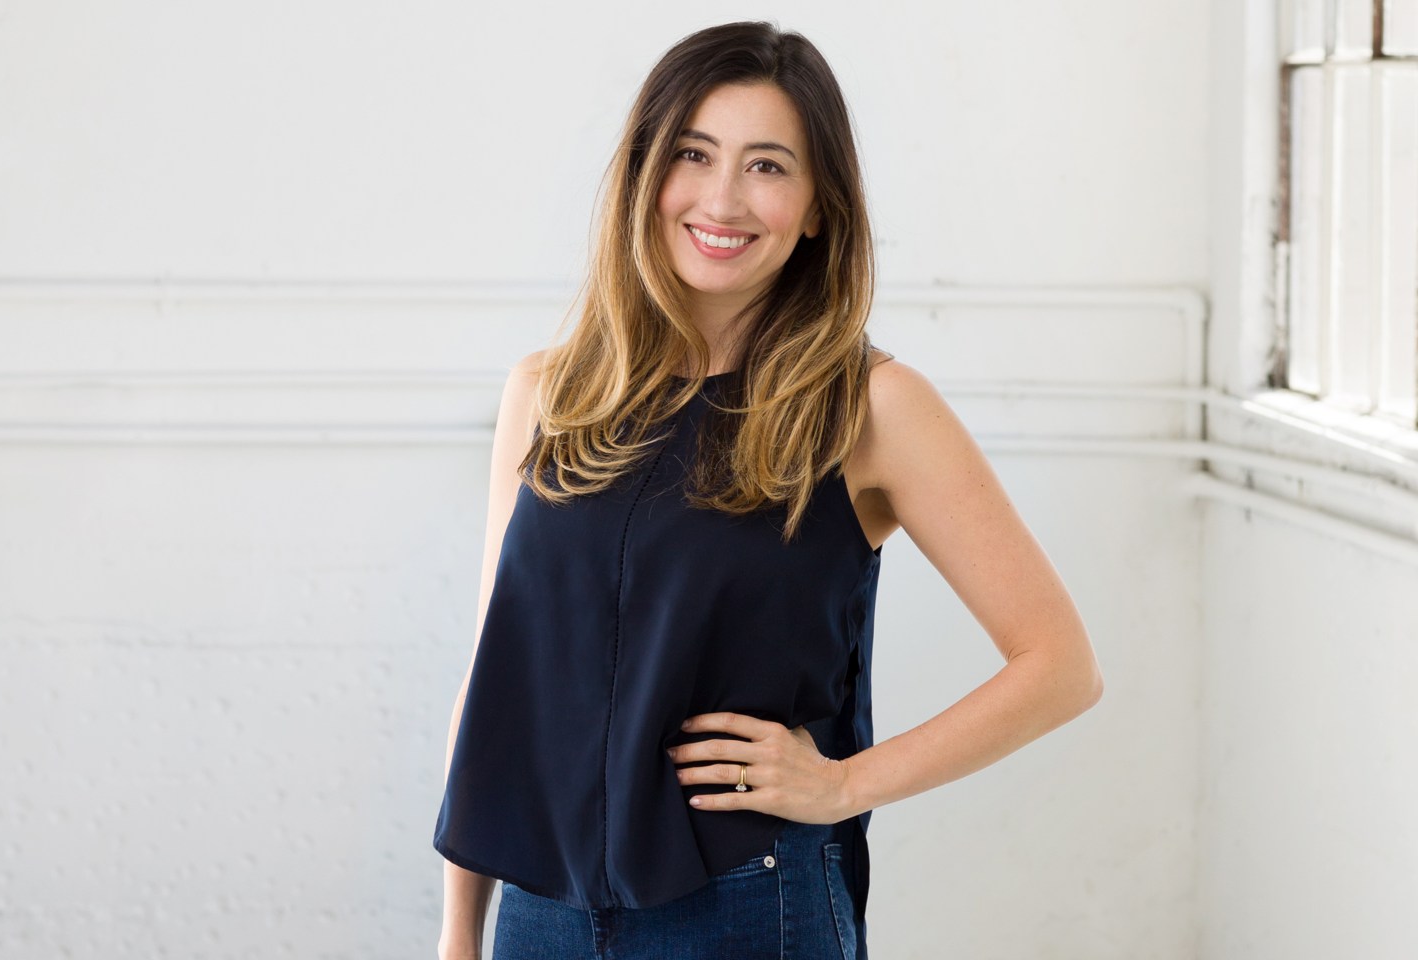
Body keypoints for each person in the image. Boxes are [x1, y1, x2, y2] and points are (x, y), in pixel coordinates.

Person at [434, 20, 1103, 960]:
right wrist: (459, 928)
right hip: (539, 909)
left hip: (749, 905)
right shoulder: (548, 391)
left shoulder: (873, 406)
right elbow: (499, 676)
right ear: (645, 175)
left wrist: (844, 785)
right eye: (694, 154)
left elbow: (1061, 665)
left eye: (767, 166)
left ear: (819, 206)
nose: (722, 198)